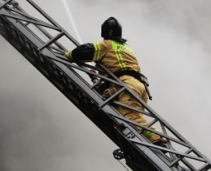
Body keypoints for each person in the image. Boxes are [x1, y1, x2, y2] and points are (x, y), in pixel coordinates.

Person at [65, 17, 165, 145]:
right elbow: (118, 66)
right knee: (123, 118)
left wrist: (68, 55)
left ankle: (158, 140)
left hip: (127, 85)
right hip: (138, 86)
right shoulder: (125, 47)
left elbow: (85, 51)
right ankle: (141, 145)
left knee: (129, 116)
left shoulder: (107, 45)